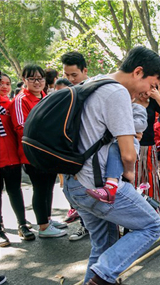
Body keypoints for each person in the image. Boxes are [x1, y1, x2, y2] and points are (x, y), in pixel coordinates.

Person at [62, 46, 160, 285]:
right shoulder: (117, 92)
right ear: (138, 72)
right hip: (96, 185)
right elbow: (128, 152)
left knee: (103, 244)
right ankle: (102, 277)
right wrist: (130, 177)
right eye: (151, 84)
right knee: (152, 225)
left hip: (74, 184)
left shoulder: (93, 82)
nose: (150, 91)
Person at [10, 64, 67, 238]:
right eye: (32, 79)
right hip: (32, 154)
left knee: (49, 186)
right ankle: (43, 227)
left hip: (49, 151)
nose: (37, 82)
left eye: (40, 78)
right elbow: (21, 127)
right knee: (40, 188)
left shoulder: (45, 97)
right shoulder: (21, 100)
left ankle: (47, 219)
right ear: (24, 80)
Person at [85, 100, 148, 204]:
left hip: (125, 145)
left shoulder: (136, 107)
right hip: (110, 144)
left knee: (116, 151)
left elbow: (141, 125)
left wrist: (118, 121)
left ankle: (111, 186)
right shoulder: (110, 107)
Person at [0, 72, 32, 246]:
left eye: (7, 83)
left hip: (11, 156)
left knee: (15, 191)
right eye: (1, 83)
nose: (4, 86)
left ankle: (22, 224)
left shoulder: (11, 105)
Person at [61, 51, 90, 238]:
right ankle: (85, 225)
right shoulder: (65, 93)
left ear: (85, 71)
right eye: (67, 75)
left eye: (74, 75)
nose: (71, 79)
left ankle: (94, 228)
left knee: (90, 192)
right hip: (70, 150)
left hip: (89, 152)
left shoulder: (92, 89)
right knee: (74, 193)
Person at [133, 86, 160, 215]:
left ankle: (154, 215)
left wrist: (158, 97)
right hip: (132, 146)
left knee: (152, 180)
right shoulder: (129, 101)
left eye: (151, 89)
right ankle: (134, 215)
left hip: (150, 147)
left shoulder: (152, 102)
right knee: (134, 180)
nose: (146, 92)